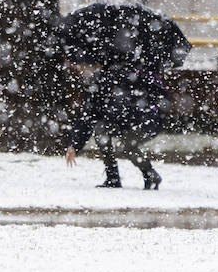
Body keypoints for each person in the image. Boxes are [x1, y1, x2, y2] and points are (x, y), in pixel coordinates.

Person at [63, 60, 166, 190]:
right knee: (101, 130)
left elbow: (128, 105)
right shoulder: (97, 83)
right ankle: (113, 177)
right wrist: (74, 144)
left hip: (144, 121)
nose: (80, 71)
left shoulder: (112, 79)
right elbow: (88, 116)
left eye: (82, 66)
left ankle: (150, 176)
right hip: (127, 121)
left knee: (127, 146)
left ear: (96, 65)